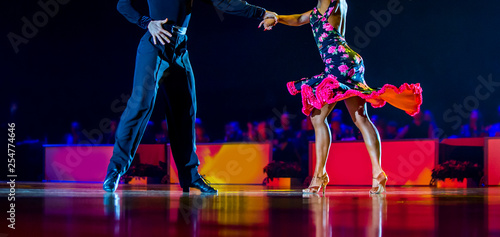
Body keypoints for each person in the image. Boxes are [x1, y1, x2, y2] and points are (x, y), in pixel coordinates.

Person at [103, 0, 278, 193]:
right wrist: (146, 22)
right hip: (156, 44)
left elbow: (224, 2)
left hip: (179, 49)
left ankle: (190, 177)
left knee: (185, 112)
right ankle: (115, 170)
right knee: (140, 105)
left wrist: (261, 13)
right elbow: (122, 4)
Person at [260, 0, 422, 194]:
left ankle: (320, 175)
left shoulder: (332, 2)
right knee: (360, 118)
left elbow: (303, 17)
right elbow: (299, 18)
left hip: (339, 62)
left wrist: (274, 17)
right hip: (346, 61)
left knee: (318, 117)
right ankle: (377, 173)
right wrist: (276, 17)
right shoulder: (316, 11)